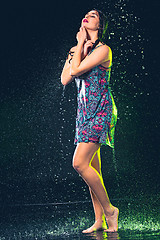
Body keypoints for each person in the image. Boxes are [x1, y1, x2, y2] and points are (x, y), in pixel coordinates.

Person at [61, 9, 119, 233]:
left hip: (101, 111)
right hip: (84, 113)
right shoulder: (76, 50)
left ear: (100, 25)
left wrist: (81, 46)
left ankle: (110, 210)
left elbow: (76, 69)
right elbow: (66, 79)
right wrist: (78, 48)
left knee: (79, 163)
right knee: (93, 168)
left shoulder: (104, 50)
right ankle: (99, 220)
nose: (87, 16)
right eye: (86, 14)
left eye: (93, 16)